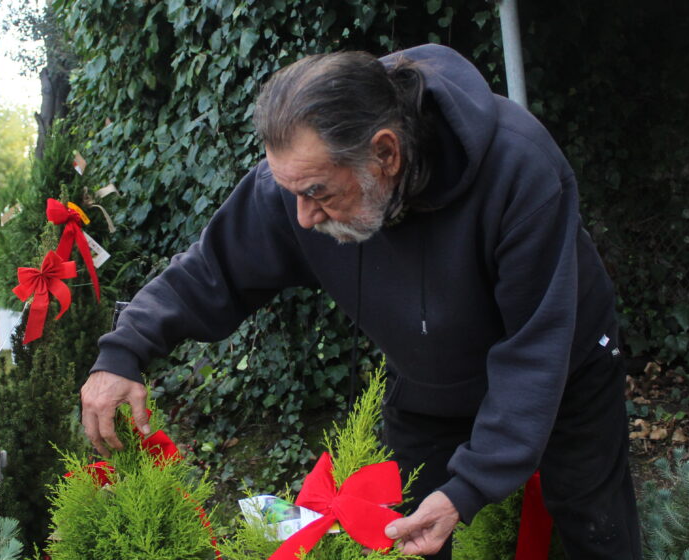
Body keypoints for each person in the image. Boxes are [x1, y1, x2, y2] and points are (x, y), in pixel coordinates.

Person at [80, 44, 641, 559]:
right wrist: (123, 351)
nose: (300, 217)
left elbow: (533, 354)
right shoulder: (301, 175)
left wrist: (468, 489)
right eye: (290, 192)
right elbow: (212, 269)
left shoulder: (520, 170)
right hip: (429, 381)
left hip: (566, 369)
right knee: (406, 540)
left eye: (316, 193)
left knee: (594, 527)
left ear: (386, 155)